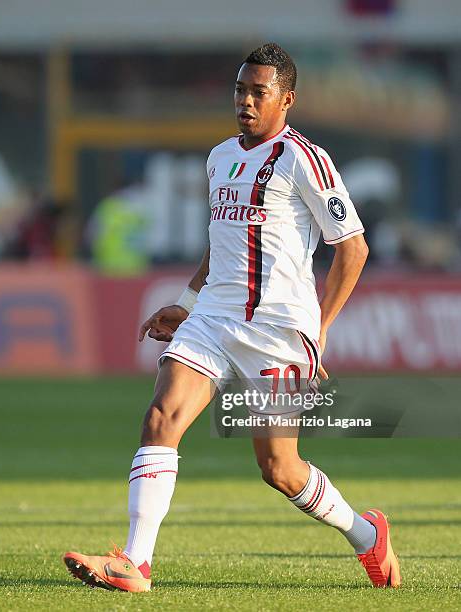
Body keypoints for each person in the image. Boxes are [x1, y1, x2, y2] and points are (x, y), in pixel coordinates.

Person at [64, 43, 400, 592]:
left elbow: (353, 248)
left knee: (280, 469)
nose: (244, 100)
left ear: (286, 99)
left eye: (258, 92)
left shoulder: (304, 160)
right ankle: (136, 562)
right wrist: (189, 303)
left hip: (278, 331)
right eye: (239, 89)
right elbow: (220, 242)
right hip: (214, 319)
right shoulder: (219, 157)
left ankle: (366, 535)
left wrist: (320, 333)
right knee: (161, 417)